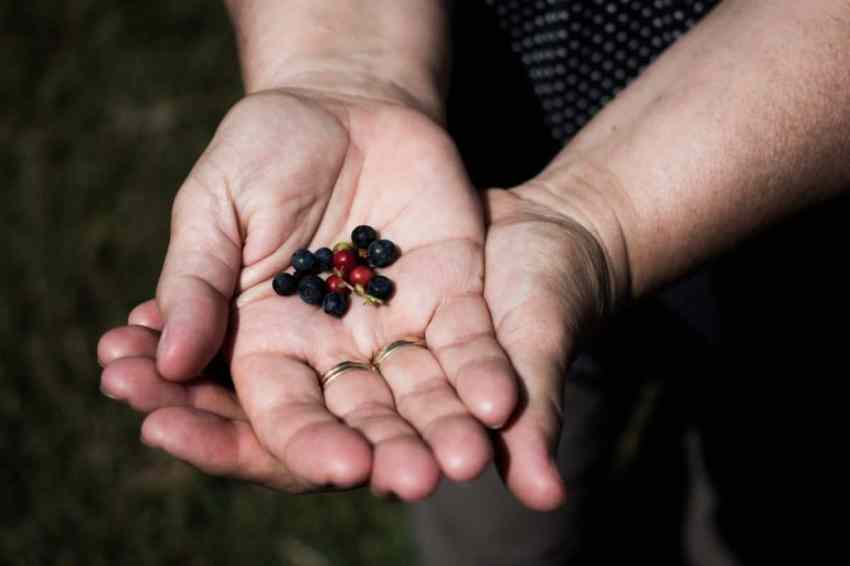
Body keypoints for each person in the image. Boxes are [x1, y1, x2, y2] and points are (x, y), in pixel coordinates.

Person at [97, 1, 850, 563]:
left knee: (768, 503)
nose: (349, 277)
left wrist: (601, 218)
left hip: (787, 220)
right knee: (495, 516)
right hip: (478, 216)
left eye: (352, 275)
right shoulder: (394, 254)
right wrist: (340, 69)